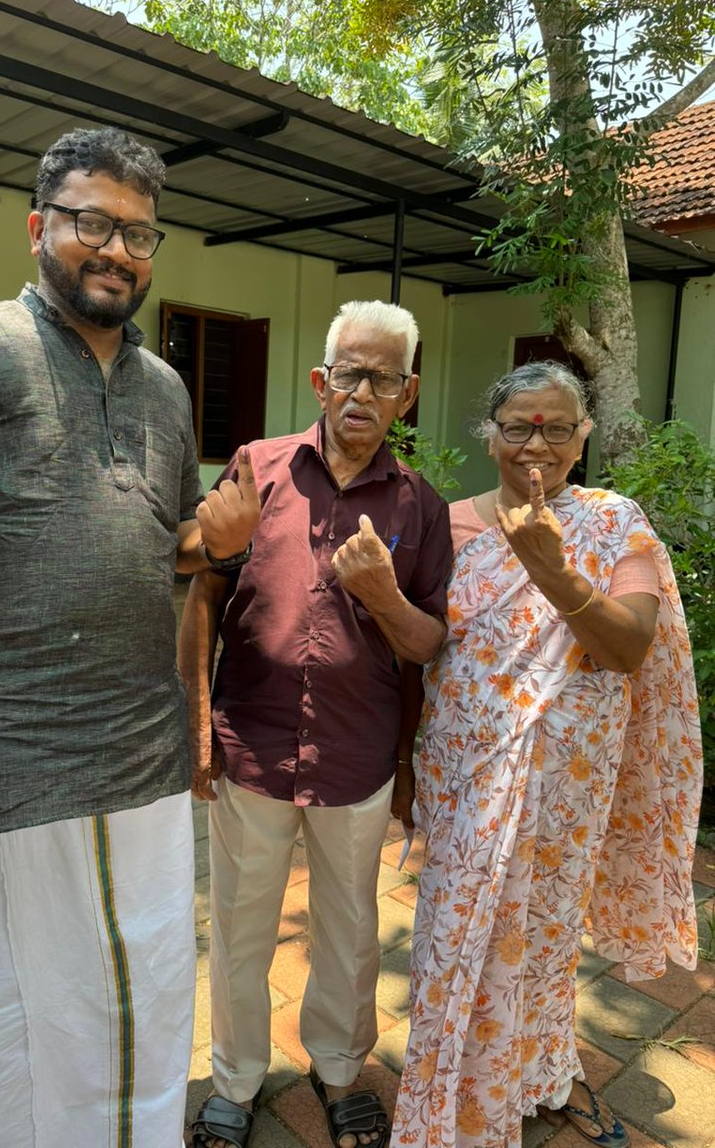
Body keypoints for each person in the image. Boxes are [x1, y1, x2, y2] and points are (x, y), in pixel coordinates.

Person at [0, 127, 259, 1148]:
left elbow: (157, 547)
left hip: (144, 765)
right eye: (91, 223)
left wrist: (211, 539)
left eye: (139, 233)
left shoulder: (165, 391)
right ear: (39, 226)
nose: (116, 249)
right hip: (2, 764)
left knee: (140, 1006)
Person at [391, 361, 703, 1148]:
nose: (538, 443)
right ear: (490, 436)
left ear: (583, 435)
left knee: (547, 939)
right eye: (520, 425)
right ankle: (449, 1097)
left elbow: (628, 647)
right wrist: (400, 766)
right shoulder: (450, 525)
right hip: (469, 777)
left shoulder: (615, 522)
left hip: (571, 784)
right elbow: (421, 653)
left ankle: (534, 1076)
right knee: (455, 935)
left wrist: (553, 569)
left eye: (557, 427)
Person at [180, 300, 453, 1148]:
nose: (361, 393)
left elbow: (430, 642)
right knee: (240, 924)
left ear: (407, 395)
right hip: (249, 744)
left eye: (383, 378)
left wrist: (381, 594)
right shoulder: (256, 469)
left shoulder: (420, 506)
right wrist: (194, 719)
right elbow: (201, 586)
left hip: (356, 755)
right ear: (320, 381)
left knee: (351, 926)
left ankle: (339, 1070)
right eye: (348, 374)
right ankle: (234, 1079)